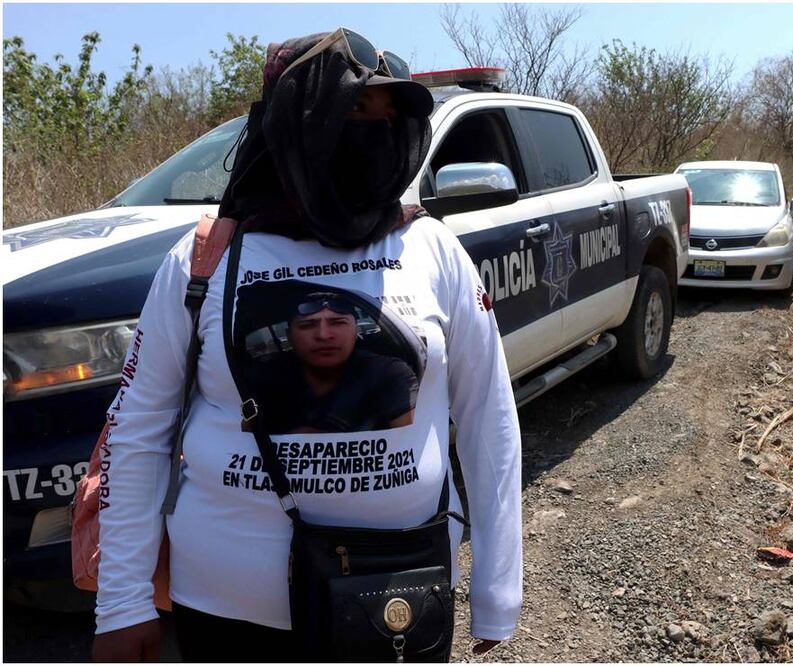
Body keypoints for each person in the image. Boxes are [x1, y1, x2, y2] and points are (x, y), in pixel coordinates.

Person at [92, 28, 521, 662]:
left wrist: (498, 588)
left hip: (397, 597)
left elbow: (489, 416)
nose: (373, 131)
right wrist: (122, 602)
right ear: (296, 125)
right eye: (352, 110)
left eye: (386, 114)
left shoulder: (432, 249)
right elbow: (138, 427)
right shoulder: (206, 259)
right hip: (225, 612)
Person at [268, 291, 419, 433]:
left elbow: (415, 446)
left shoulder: (387, 373)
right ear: (289, 336)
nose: (324, 335)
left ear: (356, 330)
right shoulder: (267, 380)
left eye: (337, 323)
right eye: (307, 326)